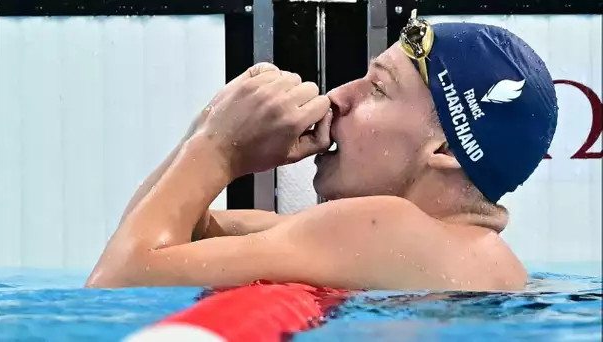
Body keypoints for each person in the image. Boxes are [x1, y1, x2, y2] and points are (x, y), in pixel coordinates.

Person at [86, 20, 558, 291]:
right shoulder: (457, 251)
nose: (337, 97)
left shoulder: (393, 228)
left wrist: (218, 148)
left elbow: (115, 282)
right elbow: (181, 232)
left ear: (445, 150)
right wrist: (212, 128)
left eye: (377, 89)